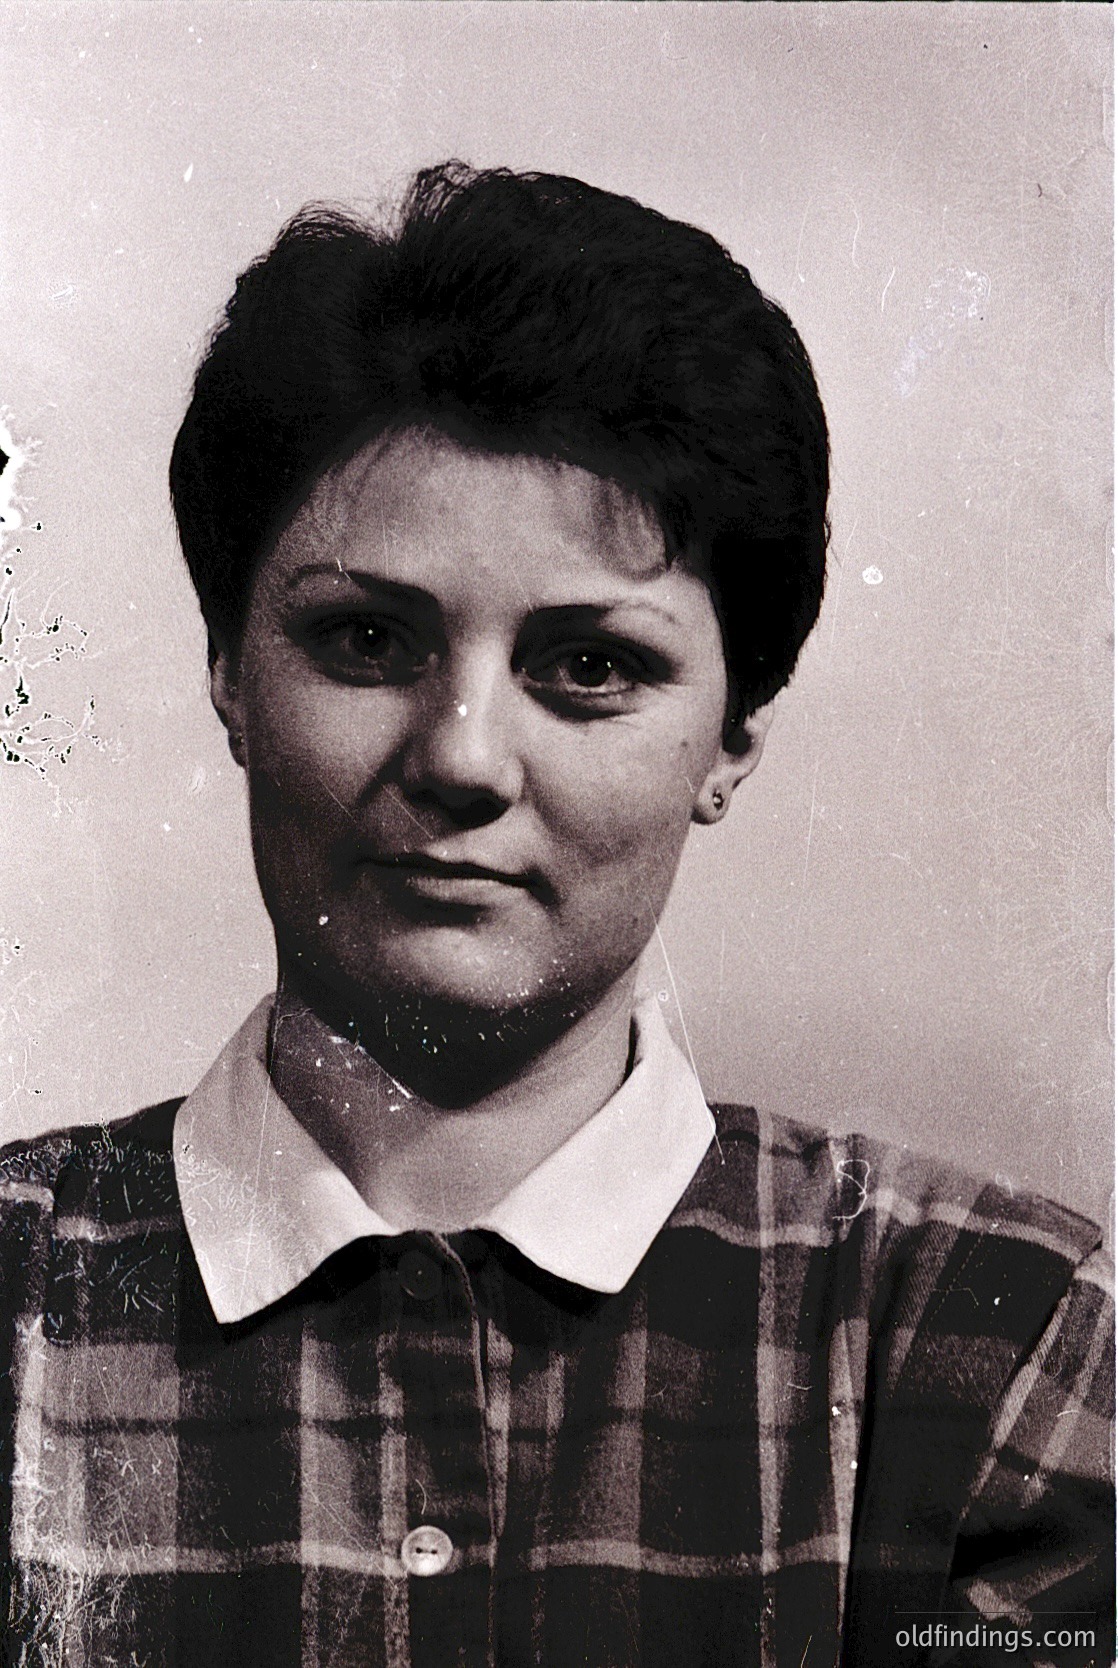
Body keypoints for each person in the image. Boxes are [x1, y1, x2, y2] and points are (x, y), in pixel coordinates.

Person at [0, 163, 1111, 1668]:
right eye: (366, 638)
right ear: (227, 672)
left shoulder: (995, 1348)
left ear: (734, 737)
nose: (460, 757)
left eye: (588, 666)